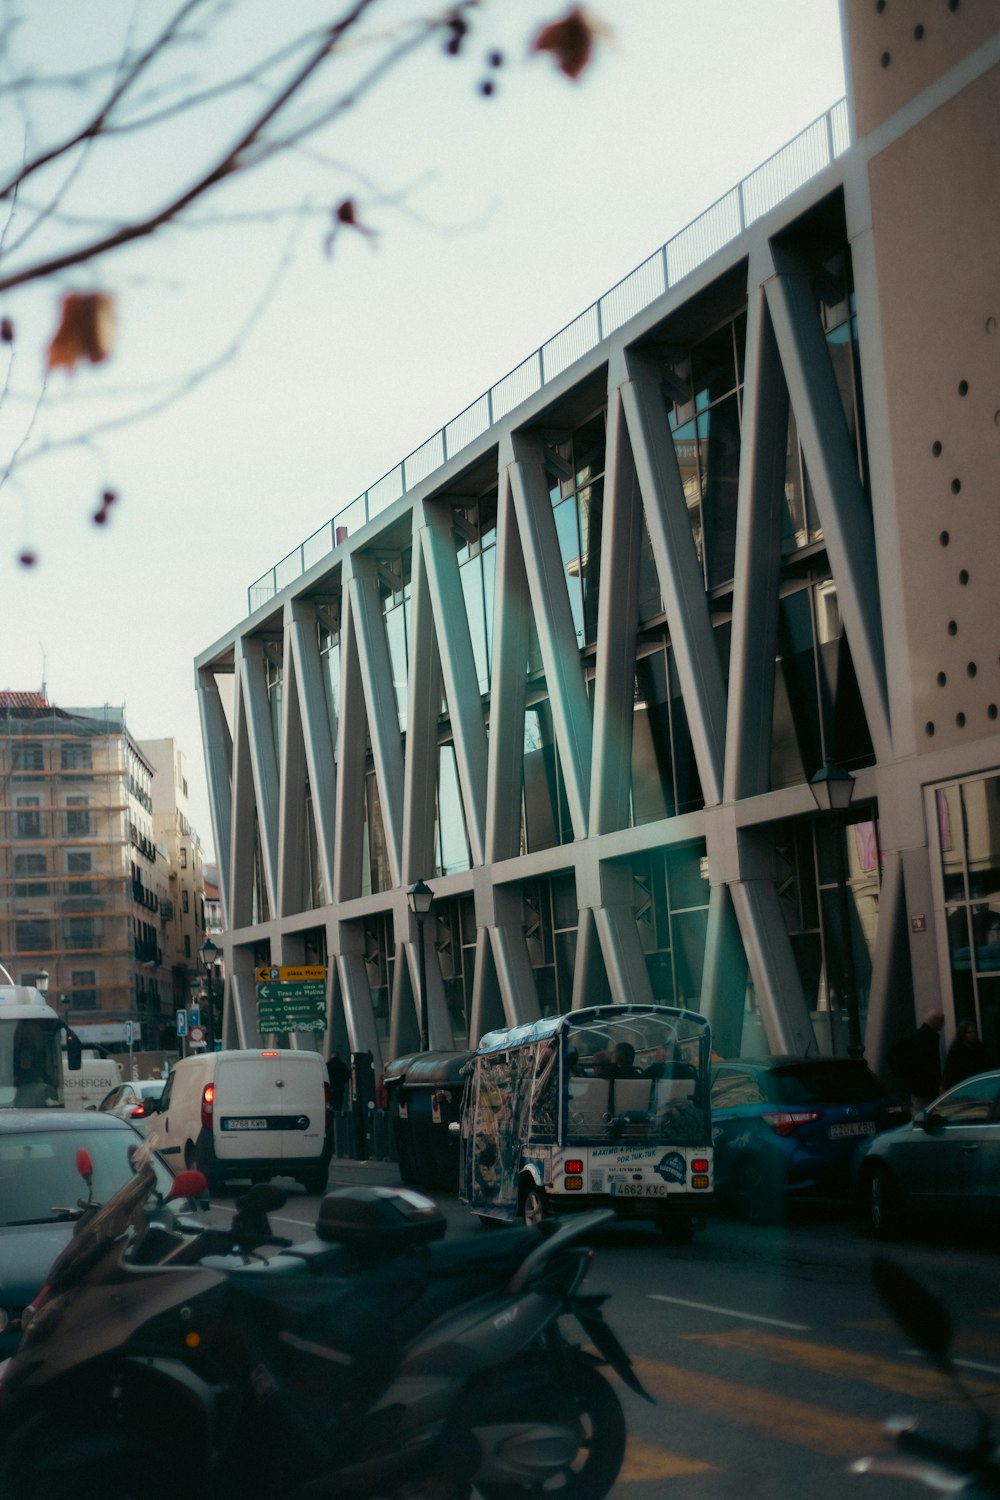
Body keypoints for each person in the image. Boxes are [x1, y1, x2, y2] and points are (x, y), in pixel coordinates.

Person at [887, 1009, 945, 1111]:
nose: (943, 1024)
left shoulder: (918, 1037)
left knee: (921, 1113)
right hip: (924, 1088)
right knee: (923, 1113)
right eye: (941, 1021)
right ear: (935, 1022)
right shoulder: (927, 1039)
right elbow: (930, 1065)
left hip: (919, 1088)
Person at [942, 1020, 991, 1089]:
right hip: (963, 1087)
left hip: (979, 1084)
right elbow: (950, 1073)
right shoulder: (956, 1052)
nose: (972, 1034)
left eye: (974, 1032)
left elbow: (987, 1065)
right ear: (962, 1034)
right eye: (969, 1032)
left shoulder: (979, 1049)